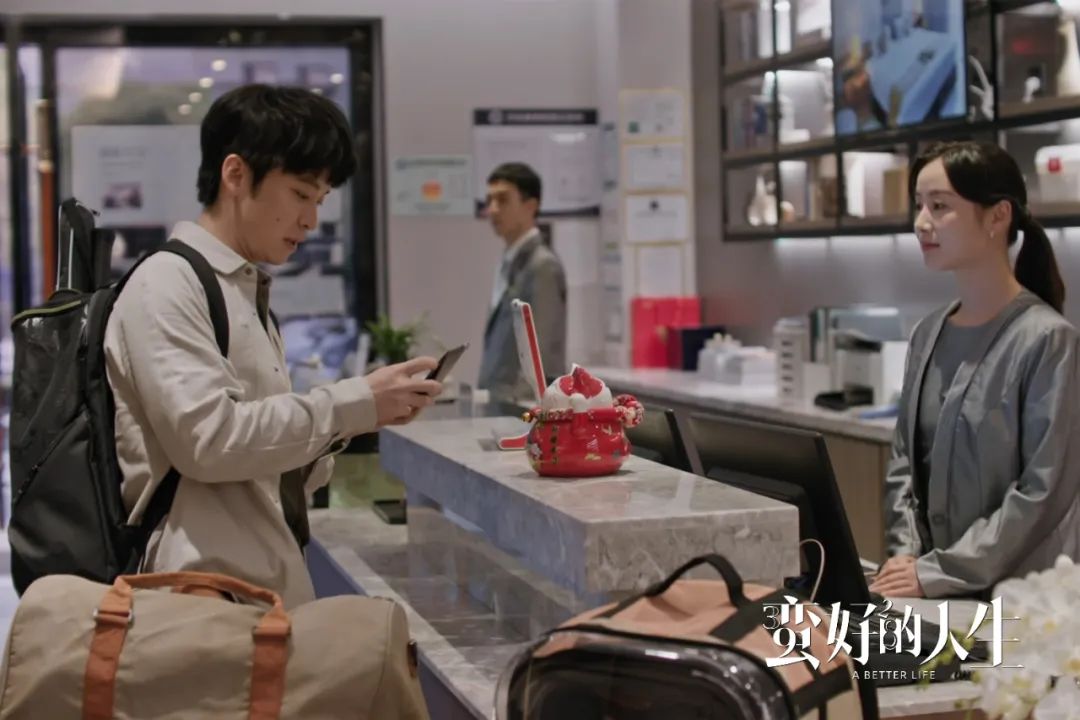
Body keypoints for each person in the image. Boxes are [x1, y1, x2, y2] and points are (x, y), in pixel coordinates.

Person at [104, 85, 442, 608]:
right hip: (201, 602)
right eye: (301, 195)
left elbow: (262, 463)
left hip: (254, 595)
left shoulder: (241, 291)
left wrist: (360, 417)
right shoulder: (167, 283)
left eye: (320, 201)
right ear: (236, 174)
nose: (311, 221)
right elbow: (209, 442)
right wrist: (352, 403)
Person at [872, 141, 1080, 599]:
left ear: (997, 216)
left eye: (940, 206)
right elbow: (904, 464)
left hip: (1019, 605)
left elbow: (1041, 493)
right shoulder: (928, 334)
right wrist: (906, 557)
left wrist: (938, 572)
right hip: (930, 593)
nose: (921, 222)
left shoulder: (1047, 340)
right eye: (919, 205)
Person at [477, 162, 567, 401]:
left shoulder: (542, 265)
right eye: (489, 200)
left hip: (521, 408)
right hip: (498, 404)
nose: (493, 209)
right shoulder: (508, 261)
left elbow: (541, 354)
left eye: (503, 200)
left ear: (531, 206)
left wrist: (521, 410)